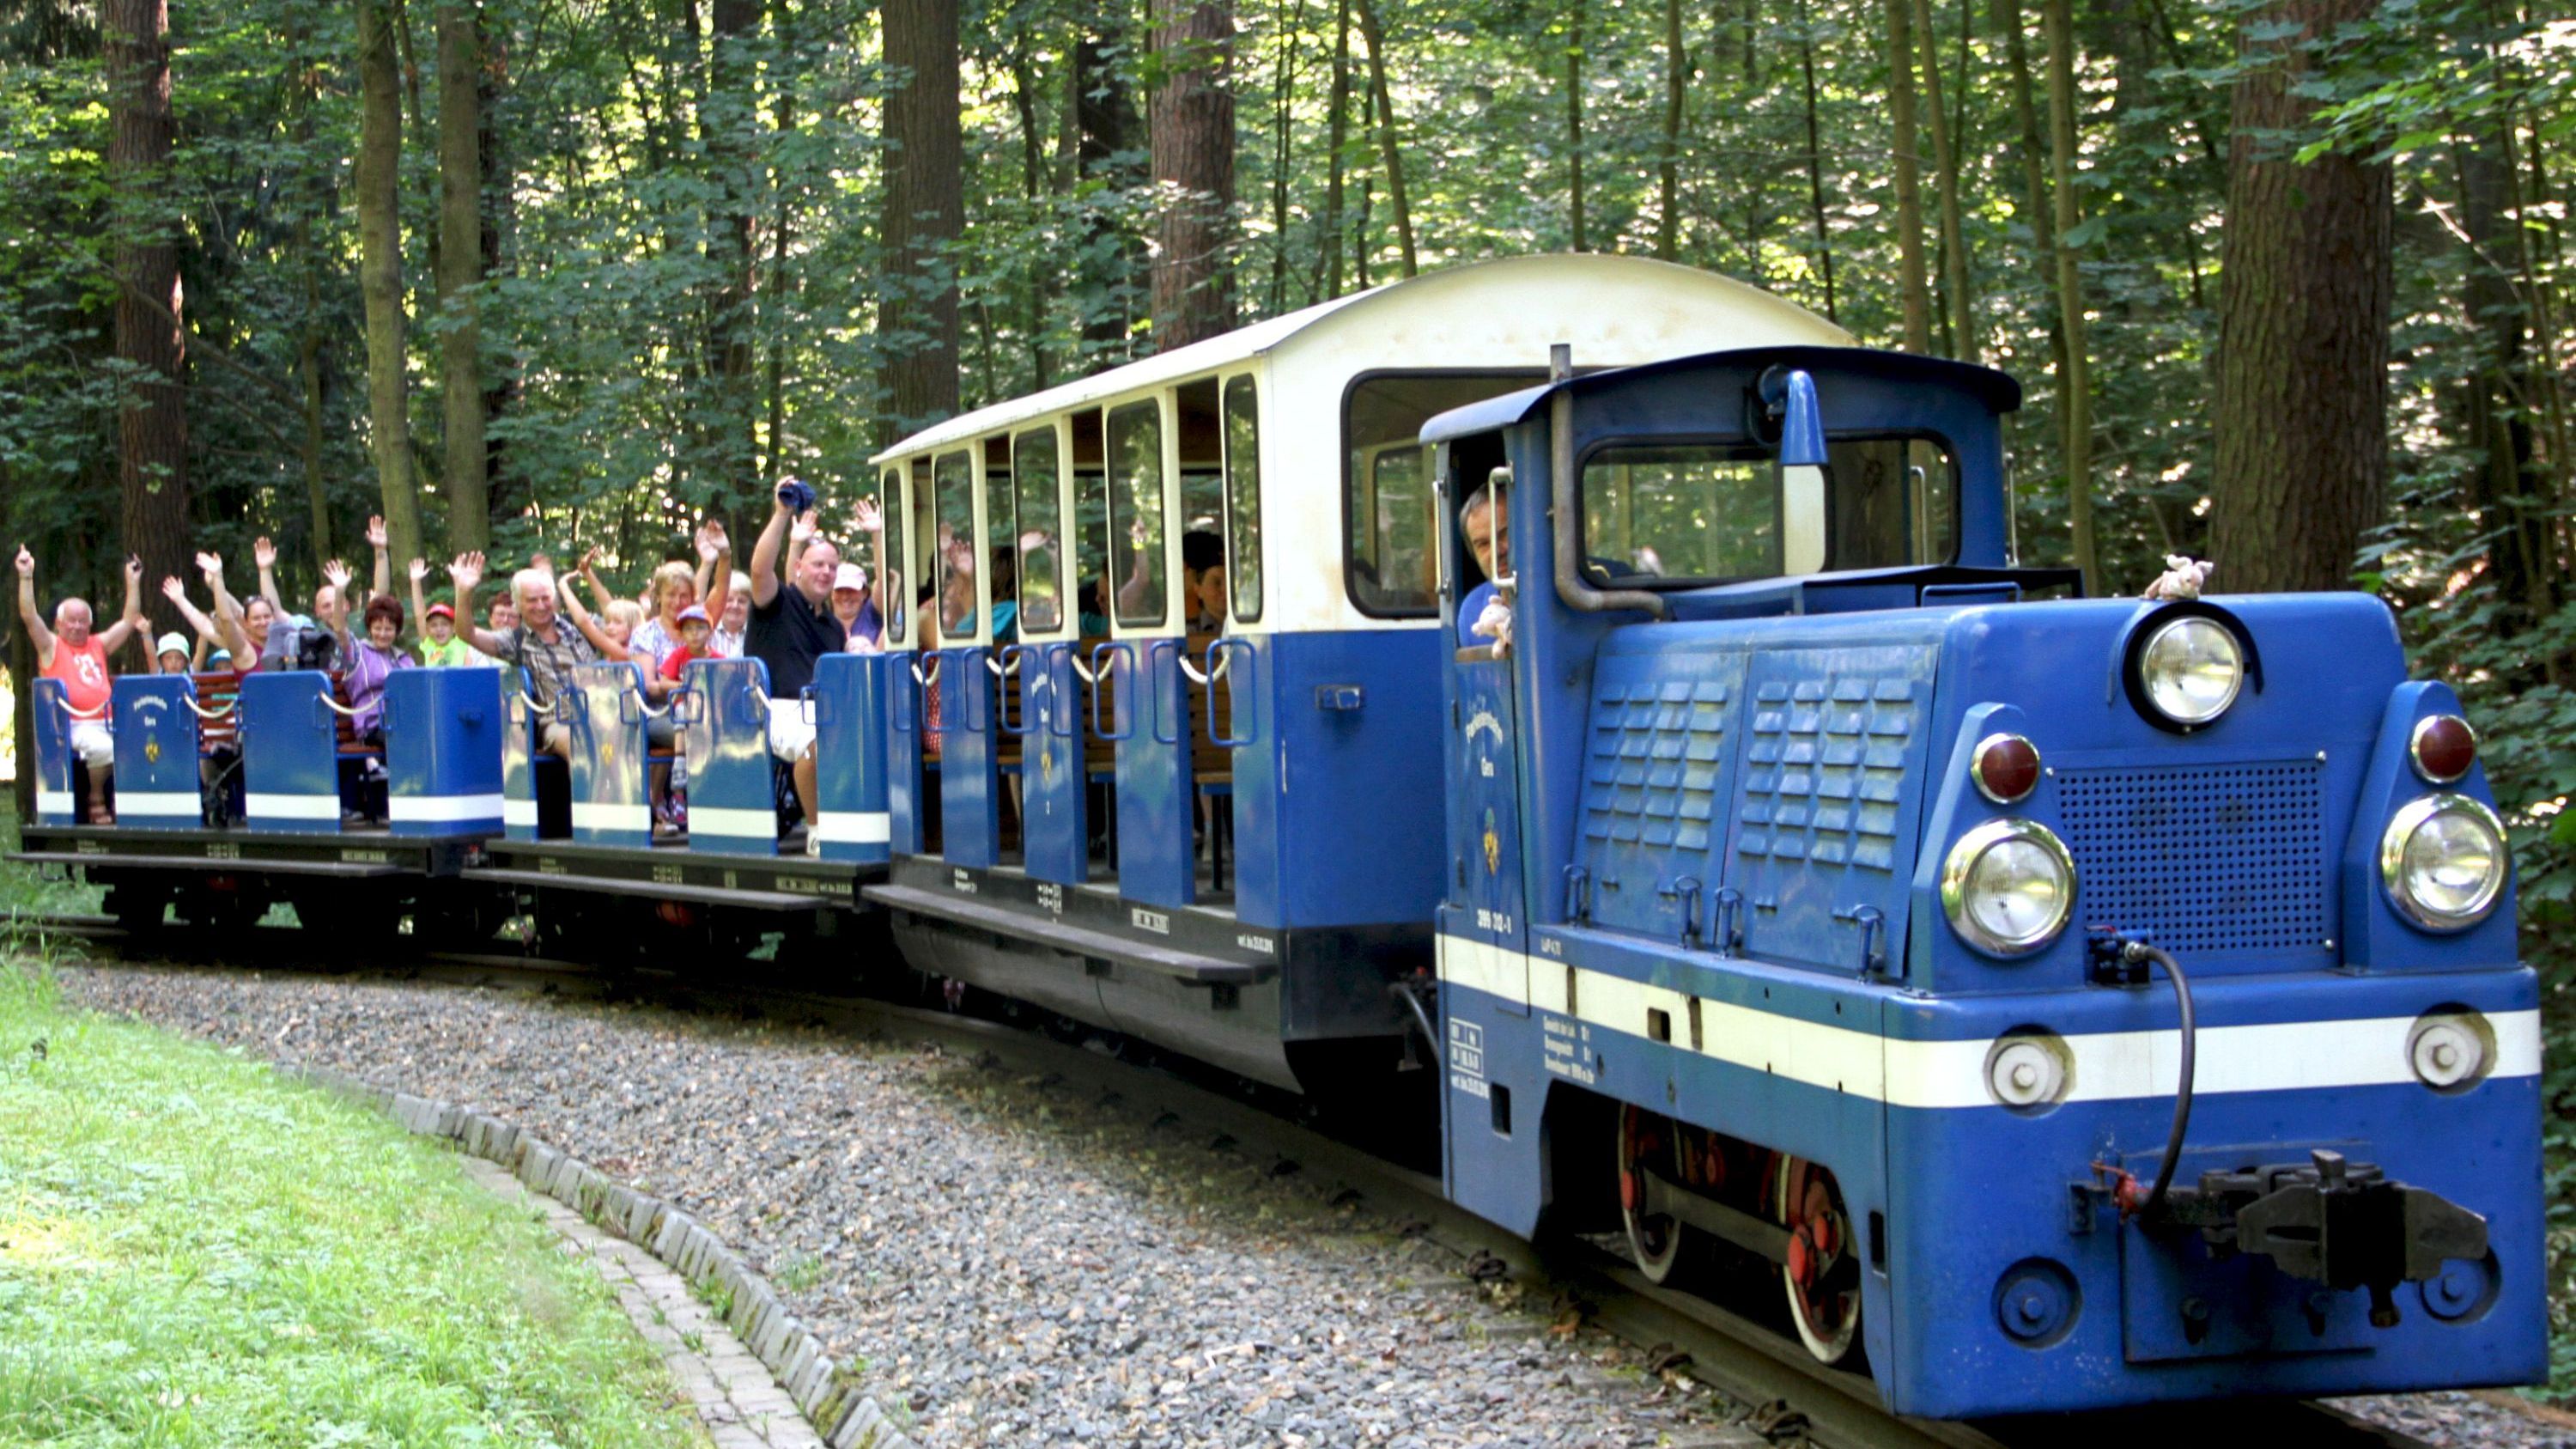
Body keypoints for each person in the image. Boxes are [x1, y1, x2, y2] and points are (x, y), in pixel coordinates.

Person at [748, 478, 848, 849]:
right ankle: (817, 831)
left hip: (824, 707)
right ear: (800, 568)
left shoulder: (834, 627)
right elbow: (760, 570)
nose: (825, 572)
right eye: (818, 564)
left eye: (832, 567)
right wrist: (781, 513)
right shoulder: (777, 604)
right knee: (815, 743)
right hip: (777, 709)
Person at [15, 546, 143, 822]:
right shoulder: (51, 646)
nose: (76, 627)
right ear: (59, 624)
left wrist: (132, 582)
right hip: (72, 725)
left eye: (82, 621)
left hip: (109, 723)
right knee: (107, 750)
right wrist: (26, 577)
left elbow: (129, 620)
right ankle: (96, 796)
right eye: (70, 621)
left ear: (90, 623)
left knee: (144, 745)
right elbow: (29, 617)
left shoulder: (98, 644)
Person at [452, 552, 597, 761]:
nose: (540, 606)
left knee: (634, 741)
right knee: (580, 744)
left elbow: (622, 624)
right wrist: (464, 592)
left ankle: (650, 795)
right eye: (532, 600)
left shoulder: (579, 624)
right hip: (559, 721)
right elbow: (468, 634)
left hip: (600, 713)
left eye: (545, 598)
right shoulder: (515, 640)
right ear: (517, 603)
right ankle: (589, 795)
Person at [343, 594, 416, 743]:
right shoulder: (358, 653)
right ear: (369, 629)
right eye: (378, 628)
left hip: (402, 723)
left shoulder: (404, 660)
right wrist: (340, 591)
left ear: (397, 631)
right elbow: (339, 629)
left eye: (388, 629)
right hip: (372, 726)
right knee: (404, 738)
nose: (383, 634)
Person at [1457, 477, 1513, 654]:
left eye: (1504, 534)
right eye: (1483, 544)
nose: (1497, 551)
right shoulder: (1471, 610)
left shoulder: (1566, 592)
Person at [830, 563, 881, 654]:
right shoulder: (822, 623)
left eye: (851, 591)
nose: (845, 597)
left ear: (865, 593)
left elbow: (881, 584)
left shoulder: (873, 615)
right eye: (839, 590)